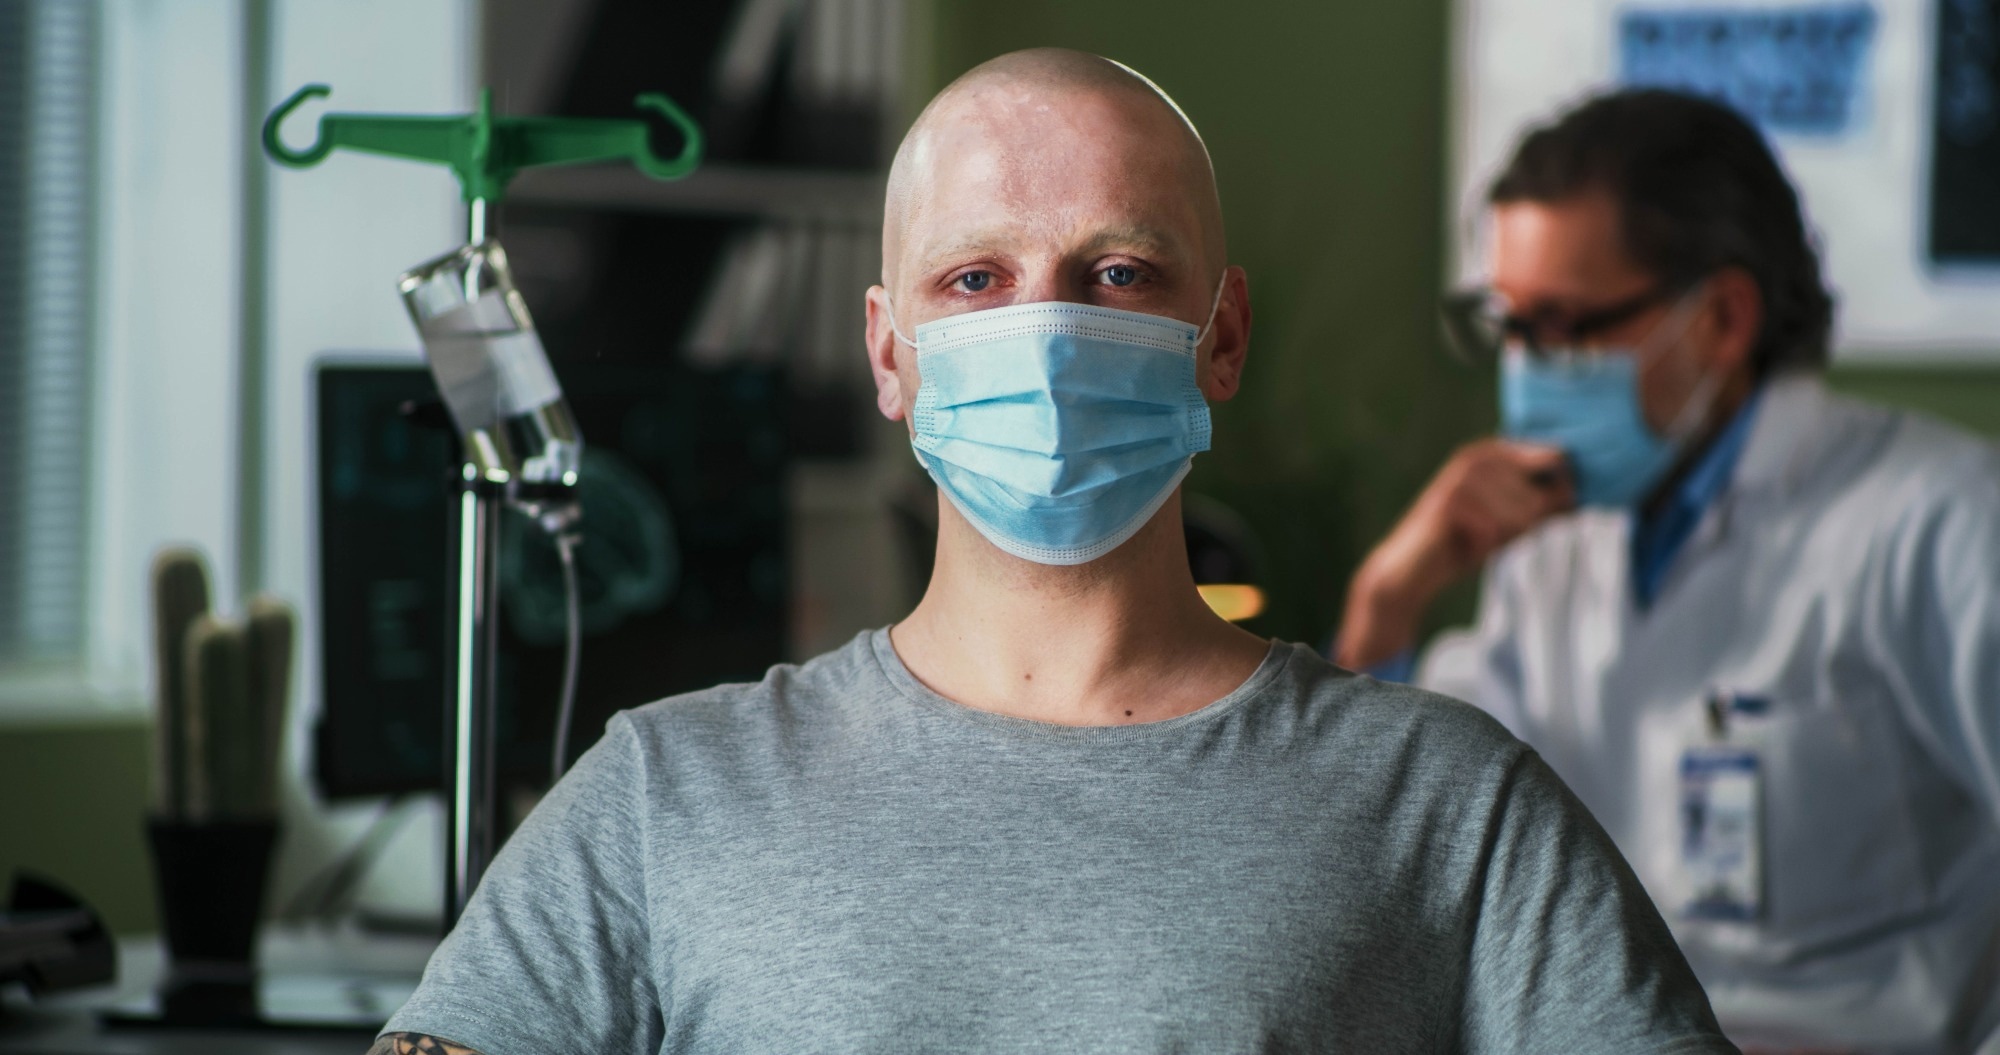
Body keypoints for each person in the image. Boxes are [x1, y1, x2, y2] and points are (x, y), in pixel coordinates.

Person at [371, 53, 1737, 1055]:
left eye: (1120, 273)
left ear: (1224, 334)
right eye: (976, 280)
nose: (1047, 329)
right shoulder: (665, 794)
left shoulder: (1449, 802)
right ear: (889, 350)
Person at [1336, 88, 2000, 1055]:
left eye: (1565, 326)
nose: (1527, 370)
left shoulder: (1939, 521)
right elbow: (1416, 841)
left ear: (1722, 320)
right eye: (1511, 327)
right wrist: (1384, 603)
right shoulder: (1548, 541)